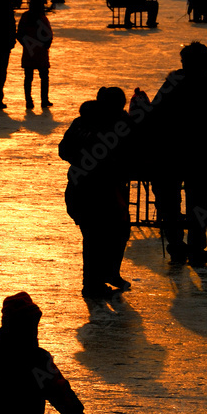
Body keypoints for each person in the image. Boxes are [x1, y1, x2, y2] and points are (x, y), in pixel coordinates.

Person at [148, 42, 207, 264]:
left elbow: (152, 117)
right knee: (196, 202)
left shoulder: (172, 87)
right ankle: (192, 246)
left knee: (173, 202)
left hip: (173, 155)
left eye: (184, 61)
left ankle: (180, 244)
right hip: (197, 156)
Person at [59, 87, 136, 297]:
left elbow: (64, 149)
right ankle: (93, 285)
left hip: (83, 187)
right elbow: (132, 152)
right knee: (99, 237)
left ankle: (105, 276)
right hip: (100, 191)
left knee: (107, 235)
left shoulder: (82, 122)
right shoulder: (116, 124)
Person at [16, 0, 53, 109]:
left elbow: (20, 34)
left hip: (29, 52)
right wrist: (45, 47)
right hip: (41, 53)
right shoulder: (42, 18)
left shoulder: (25, 17)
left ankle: (29, 101)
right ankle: (44, 100)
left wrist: (27, 45)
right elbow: (49, 36)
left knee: (28, 77)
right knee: (44, 77)